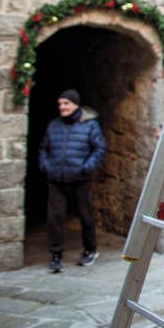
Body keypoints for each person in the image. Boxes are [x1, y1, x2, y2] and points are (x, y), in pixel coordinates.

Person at [38, 88, 106, 272]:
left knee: (85, 215)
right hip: (57, 178)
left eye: (66, 103)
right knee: (55, 218)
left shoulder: (90, 125)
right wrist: (46, 165)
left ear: (75, 105)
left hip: (80, 179)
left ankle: (90, 250)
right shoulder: (54, 125)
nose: (62, 107)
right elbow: (43, 148)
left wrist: (86, 167)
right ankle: (56, 254)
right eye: (60, 104)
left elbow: (99, 148)